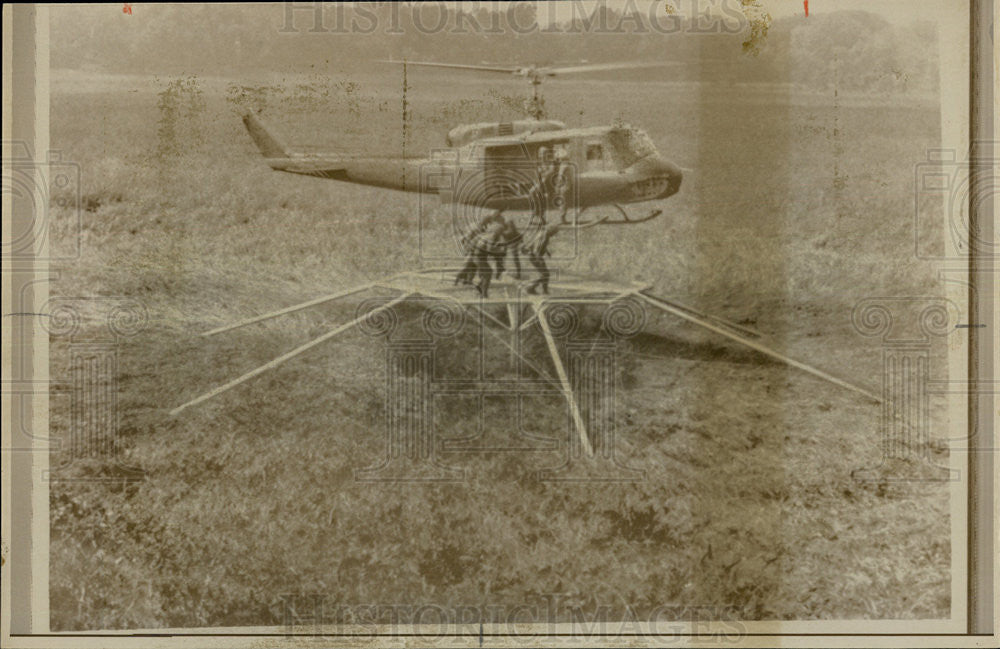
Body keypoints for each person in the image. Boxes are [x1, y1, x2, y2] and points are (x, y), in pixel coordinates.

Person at [522, 219, 561, 295]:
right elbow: (536, 249)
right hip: (534, 256)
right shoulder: (543, 236)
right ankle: (530, 288)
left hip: (535, 255)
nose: (554, 234)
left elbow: (541, 246)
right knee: (545, 274)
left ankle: (543, 290)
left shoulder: (545, 234)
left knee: (545, 274)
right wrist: (539, 260)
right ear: (551, 230)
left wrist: (546, 252)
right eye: (554, 232)